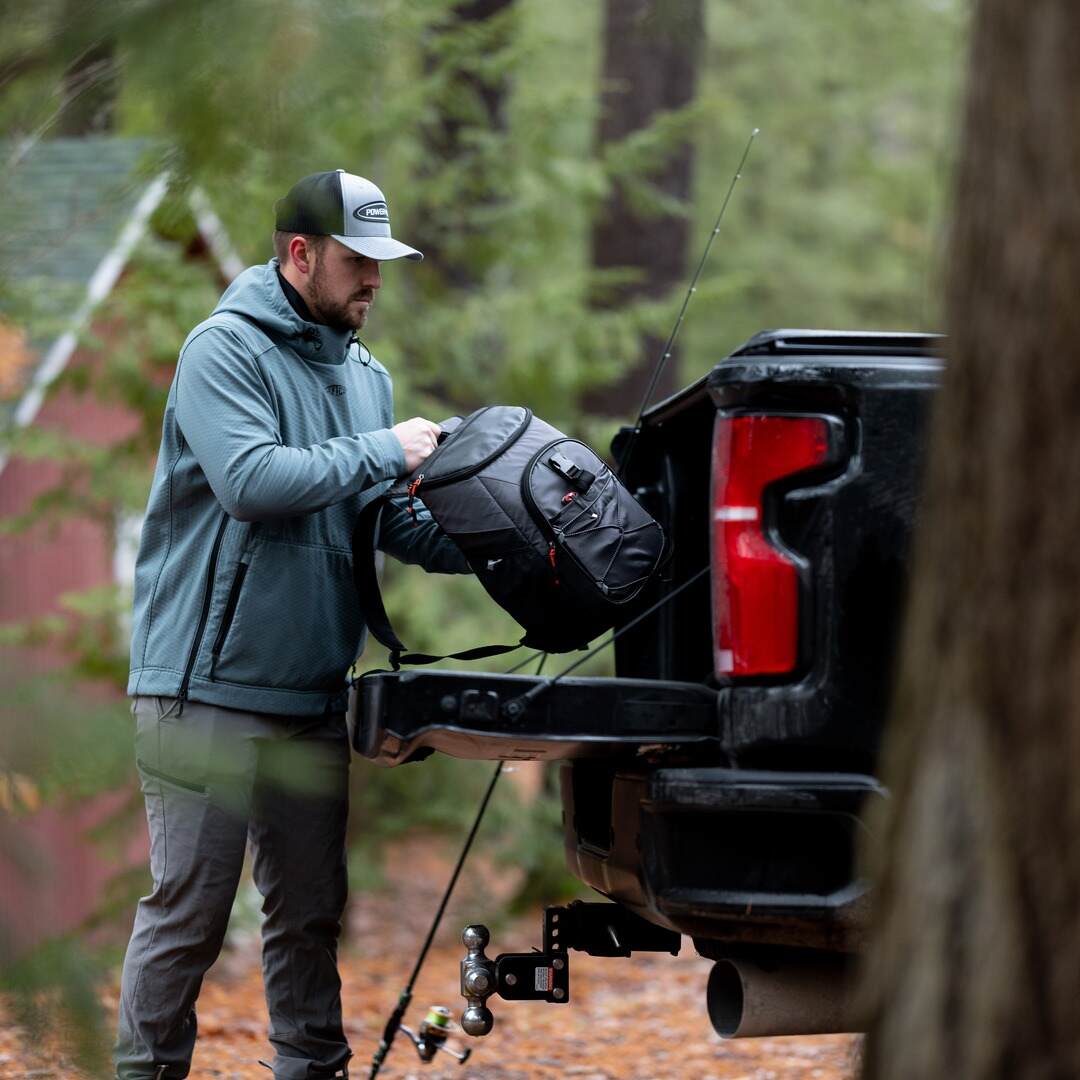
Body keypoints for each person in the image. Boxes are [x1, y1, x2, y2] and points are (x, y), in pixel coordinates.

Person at [116, 170, 468, 1080]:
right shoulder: (221, 352)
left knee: (308, 916)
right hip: (202, 690)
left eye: (383, 264)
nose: (374, 283)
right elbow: (253, 482)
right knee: (189, 916)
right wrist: (385, 450)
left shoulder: (367, 376)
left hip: (310, 692)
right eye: (358, 261)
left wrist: (512, 542)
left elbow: (387, 516)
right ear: (301, 254)